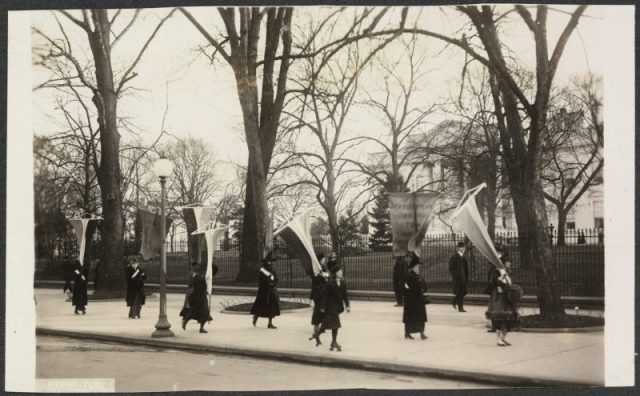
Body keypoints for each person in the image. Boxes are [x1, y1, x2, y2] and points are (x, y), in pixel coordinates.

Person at [311, 253, 350, 351]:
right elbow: (325, 296)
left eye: (341, 271)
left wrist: (347, 305)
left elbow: (345, 295)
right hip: (330, 307)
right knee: (336, 325)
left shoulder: (343, 283)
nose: (341, 273)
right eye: (339, 272)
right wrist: (323, 307)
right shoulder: (329, 284)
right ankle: (334, 342)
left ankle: (317, 335)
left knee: (326, 326)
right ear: (335, 273)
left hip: (336, 307)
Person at [485, 256, 521, 346]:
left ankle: (503, 338)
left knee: (510, 318)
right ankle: (498, 339)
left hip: (508, 296)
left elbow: (509, 283)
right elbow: (493, 282)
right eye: (508, 262)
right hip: (499, 298)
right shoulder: (497, 271)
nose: (509, 264)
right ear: (503, 263)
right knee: (499, 317)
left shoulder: (508, 271)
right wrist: (501, 279)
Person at [180, 262, 216, 333]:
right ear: (193, 266)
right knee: (196, 311)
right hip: (196, 296)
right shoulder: (192, 273)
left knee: (205, 312)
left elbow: (202, 282)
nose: (198, 267)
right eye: (197, 265)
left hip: (202, 295)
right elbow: (196, 281)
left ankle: (201, 328)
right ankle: (186, 319)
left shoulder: (198, 274)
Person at [251, 253, 280, 329]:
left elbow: (276, 278)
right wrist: (269, 283)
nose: (270, 264)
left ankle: (270, 323)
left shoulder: (272, 270)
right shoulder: (262, 270)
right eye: (268, 263)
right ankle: (255, 317)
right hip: (264, 292)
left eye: (270, 263)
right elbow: (263, 281)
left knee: (272, 307)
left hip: (271, 291)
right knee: (262, 307)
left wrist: (274, 283)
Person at [402, 254, 428, 340]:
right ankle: (407, 332)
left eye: (419, 266)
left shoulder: (419, 276)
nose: (418, 268)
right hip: (411, 301)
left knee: (421, 317)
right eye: (417, 267)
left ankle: (422, 333)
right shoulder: (409, 276)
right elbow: (406, 288)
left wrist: (423, 289)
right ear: (412, 268)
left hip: (419, 300)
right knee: (410, 317)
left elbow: (424, 287)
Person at [309, 253, 329, 340]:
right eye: (322, 259)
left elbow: (328, 276)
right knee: (317, 309)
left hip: (324, 292)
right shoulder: (315, 269)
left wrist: (326, 276)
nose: (324, 260)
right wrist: (322, 277)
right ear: (319, 260)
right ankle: (316, 326)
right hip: (317, 293)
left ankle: (322, 325)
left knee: (323, 309)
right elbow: (315, 280)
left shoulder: (324, 267)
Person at [448, 241, 469, 312]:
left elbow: (466, 268)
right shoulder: (454, 257)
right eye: (461, 247)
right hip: (458, 279)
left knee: (464, 292)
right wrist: (456, 275)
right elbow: (451, 268)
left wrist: (466, 277)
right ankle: (461, 308)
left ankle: (454, 301)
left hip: (463, 278)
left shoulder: (464, 257)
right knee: (460, 292)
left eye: (464, 247)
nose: (463, 249)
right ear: (458, 248)